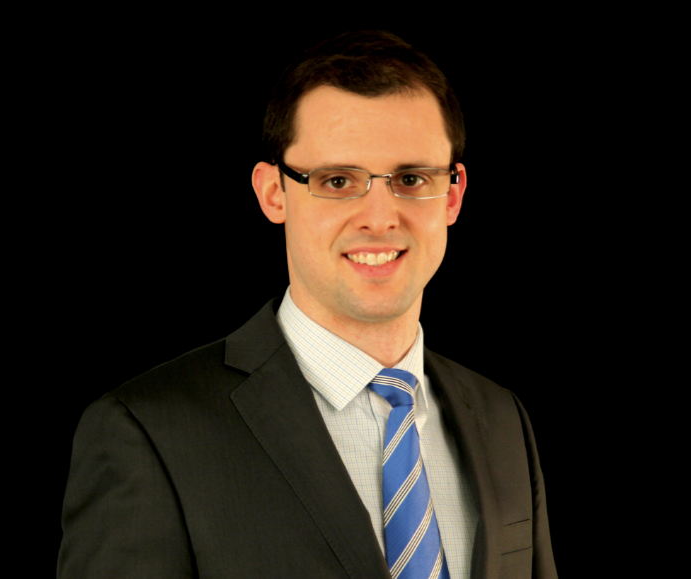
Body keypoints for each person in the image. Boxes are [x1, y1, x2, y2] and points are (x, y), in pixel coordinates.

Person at [58, 30, 557, 578]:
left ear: (454, 196)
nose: (379, 218)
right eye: (338, 180)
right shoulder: (149, 433)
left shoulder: (503, 420)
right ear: (273, 192)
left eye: (412, 178)